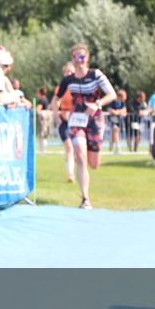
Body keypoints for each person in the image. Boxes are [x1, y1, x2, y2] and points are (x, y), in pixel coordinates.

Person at [48, 44, 117, 209]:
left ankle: (91, 163)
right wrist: (57, 117)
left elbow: (112, 94)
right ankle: (86, 199)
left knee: (93, 163)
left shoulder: (96, 74)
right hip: (76, 120)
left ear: (87, 59)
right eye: (76, 57)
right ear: (72, 59)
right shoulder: (68, 80)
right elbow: (55, 100)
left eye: (82, 57)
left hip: (95, 120)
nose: (79, 60)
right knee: (80, 155)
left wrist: (98, 103)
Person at [53, 62, 77, 182]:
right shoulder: (60, 88)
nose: (68, 74)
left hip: (77, 121)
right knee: (69, 147)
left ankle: (76, 167)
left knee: (77, 149)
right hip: (64, 121)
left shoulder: (77, 87)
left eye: (70, 71)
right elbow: (55, 101)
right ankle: (70, 174)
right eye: (66, 71)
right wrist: (56, 116)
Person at [106, 89, 128, 153]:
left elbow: (124, 112)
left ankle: (111, 147)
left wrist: (117, 112)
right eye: (124, 96)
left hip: (119, 120)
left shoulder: (122, 103)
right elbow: (110, 111)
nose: (125, 98)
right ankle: (118, 147)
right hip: (112, 119)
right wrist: (119, 112)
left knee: (114, 134)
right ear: (120, 96)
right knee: (115, 130)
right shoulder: (112, 101)